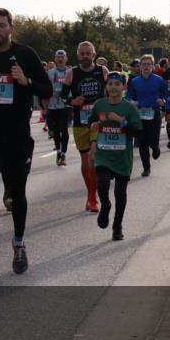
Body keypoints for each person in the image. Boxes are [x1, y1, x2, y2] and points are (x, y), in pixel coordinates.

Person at [0, 8, 51, 277]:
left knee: (16, 194)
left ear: (11, 28)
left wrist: (25, 81)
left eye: (2, 25)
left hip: (15, 137)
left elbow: (46, 90)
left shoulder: (25, 55)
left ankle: (18, 243)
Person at [89, 73, 143, 241]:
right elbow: (90, 123)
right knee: (102, 183)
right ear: (106, 87)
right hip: (103, 153)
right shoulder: (99, 105)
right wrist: (94, 128)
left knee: (120, 193)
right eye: (110, 83)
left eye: (117, 84)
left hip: (122, 156)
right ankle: (105, 205)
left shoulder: (129, 108)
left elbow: (138, 131)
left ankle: (117, 225)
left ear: (124, 88)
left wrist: (121, 120)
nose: (113, 87)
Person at [63, 41, 107, 212]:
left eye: (88, 53)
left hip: (98, 121)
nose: (85, 56)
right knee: (85, 160)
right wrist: (72, 101)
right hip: (80, 121)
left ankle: (93, 198)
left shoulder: (102, 71)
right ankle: (91, 194)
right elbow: (61, 97)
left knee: (93, 158)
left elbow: (112, 92)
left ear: (94, 55)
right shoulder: (71, 73)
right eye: (82, 53)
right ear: (77, 55)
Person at [127, 54, 168, 177]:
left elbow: (166, 95)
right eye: (143, 64)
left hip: (154, 112)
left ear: (153, 66)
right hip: (140, 113)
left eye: (148, 64)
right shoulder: (134, 81)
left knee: (153, 138)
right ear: (140, 67)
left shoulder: (159, 80)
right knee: (142, 141)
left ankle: (155, 147)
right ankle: (146, 168)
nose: (145, 66)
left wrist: (163, 101)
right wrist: (132, 102)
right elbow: (128, 96)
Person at [46, 49, 72, 166]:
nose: (60, 59)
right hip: (52, 106)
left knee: (64, 129)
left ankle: (63, 154)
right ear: (55, 59)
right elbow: (45, 88)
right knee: (55, 131)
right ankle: (58, 151)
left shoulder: (70, 72)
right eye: (58, 57)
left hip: (66, 105)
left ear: (66, 59)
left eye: (62, 57)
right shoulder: (50, 73)